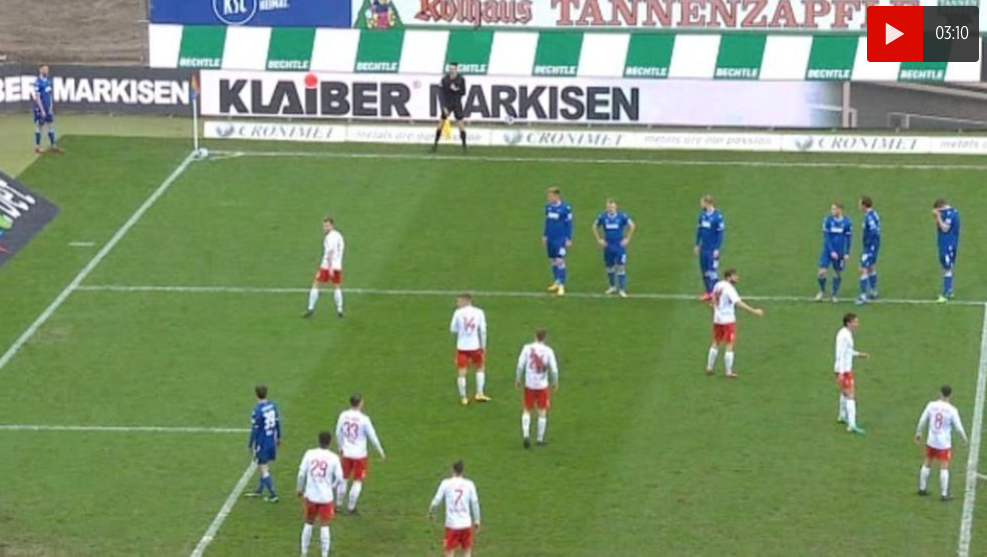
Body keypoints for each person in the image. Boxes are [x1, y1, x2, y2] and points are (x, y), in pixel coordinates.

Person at [705, 269, 764, 378]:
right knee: (729, 344)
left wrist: (714, 308)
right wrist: (754, 311)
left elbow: (713, 298)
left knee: (716, 342)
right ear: (728, 277)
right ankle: (728, 372)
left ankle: (709, 367)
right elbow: (738, 303)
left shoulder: (718, 285)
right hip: (728, 320)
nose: (737, 278)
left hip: (717, 319)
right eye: (734, 276)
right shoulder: (729, 289)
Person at [335, 393, 386, 515]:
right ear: (360, 403)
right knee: (357, 481)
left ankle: (338, 504)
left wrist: (340, 446)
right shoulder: (364, 419)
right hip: (359, 455)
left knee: (344, 478)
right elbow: (372, 437)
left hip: (346, 453)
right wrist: (381, 452)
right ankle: (351, 508)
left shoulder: (343, 415)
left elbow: (338, 432)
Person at [915, 385, 968, 501]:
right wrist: (964, 438)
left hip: (931, 441)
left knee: (927, 462)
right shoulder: (952, 410)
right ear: (950, 395)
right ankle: (944, 494)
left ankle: (922, 488)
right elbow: (958, 427)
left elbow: (922, 420)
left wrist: (918, 433)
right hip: (944, 444)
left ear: (940, 393)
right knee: (944, 467)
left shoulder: (931, 405)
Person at [297, 431, 343, 557]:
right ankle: (324, 554)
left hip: (311, 495)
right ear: (330, 442)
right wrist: (331, 487)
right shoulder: (334, 457)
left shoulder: (310, 454)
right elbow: (340, 478)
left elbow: (301, 473)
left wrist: (299, 489)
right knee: (324, 525)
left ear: (319, 440)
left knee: (308, 523)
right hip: (325, 497)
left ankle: (304, 553)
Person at [514, 329, 560, 448]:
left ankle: (525, 435)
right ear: (545, 338)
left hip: (529, 385)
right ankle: (539, 439)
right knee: (542, 411)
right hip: (542, 386)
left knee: (527, 410)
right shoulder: (548, 351)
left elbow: (520, 365)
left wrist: (518, 379)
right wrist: (555, 382)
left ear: (535, 336)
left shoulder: (526, 348)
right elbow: (554, 369)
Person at [429, 460, 481, 557]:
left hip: (452, 525)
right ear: (462, 470)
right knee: (467, 552)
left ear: (452, 469)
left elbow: (436, 500)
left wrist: (431, 512)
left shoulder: (446, 483)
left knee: (449, 553)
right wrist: (477, 520)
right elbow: (474, 503)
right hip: (466, 524)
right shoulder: (470, 484)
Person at [449, 293, 489, 405]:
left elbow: (452, 329)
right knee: (480, 367)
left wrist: (461, 330)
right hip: (475, 346)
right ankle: (479, 393)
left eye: (459, 301)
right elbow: (483, 331)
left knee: (462, 372)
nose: (457, 304)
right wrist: (483, 346)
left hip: (462, 347)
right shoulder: (479, 312)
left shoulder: (458, 313)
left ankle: (463, 397)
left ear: (465, 301)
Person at [592, 199, 635, 297]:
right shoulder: (602, 216)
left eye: (612, 207)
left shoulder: (622, 216)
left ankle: (622, 289)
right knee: (609, 267)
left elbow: (632, 225)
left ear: (616, 207)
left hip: (619, 245)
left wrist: (627, 239)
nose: (610, 209)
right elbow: (594, 226)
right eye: (608, 207)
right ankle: (612, 286)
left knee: (620, 266)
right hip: (608, 245)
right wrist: (599, 239)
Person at [834, 313, 869, 435]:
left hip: (841, 369)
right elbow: (842, 354)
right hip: (844, 370)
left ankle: (842, 415)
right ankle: (852, 425)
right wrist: (843, 373)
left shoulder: (843, 333)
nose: (857, 324)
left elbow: (847, 351)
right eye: (855, 322)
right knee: (850, 395)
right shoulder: (845, 336)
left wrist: (859, 354)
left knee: (844, 392)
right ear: (848, 323)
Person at [304, 217, 345, 318]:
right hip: (338, 266)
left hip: (327, 266)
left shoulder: (329, 237)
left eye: (327, 226)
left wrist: (330, 268)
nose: (324, 228)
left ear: (332, 225)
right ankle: (340, 310)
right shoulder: (339, 235)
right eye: (324, 226)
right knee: (336, 286)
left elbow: (330, 252)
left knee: (316, 284)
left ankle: (310, 309)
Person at [246, 384, 281, 502]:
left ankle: (273, 494)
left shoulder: (257, 410)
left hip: (262, 442)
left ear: (256, 394)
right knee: (264, 464)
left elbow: (254, 429)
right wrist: (279, 436)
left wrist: (250, 444)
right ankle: (260, 489)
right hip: (271, 439)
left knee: (263, 467)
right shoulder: (272, 405)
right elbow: (277, 422)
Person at [815, 203, 852, 303]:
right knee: (821, 272)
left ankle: (834, 294)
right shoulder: (828, 220)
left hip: (840, 252)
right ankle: (822, 291)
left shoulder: (847, 222)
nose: (832, 211)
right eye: (831, 209)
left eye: (834, 209)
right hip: (828, 251)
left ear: (840, 210)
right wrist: (831, 251)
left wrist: (847, 253)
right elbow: (826, 237)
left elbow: (848, 238)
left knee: (838, 273)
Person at [543, 186, 573, 296]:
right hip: (550, 238)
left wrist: (568, 238)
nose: (548, 198)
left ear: (556, 196)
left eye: (550, 196)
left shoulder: (565, 208)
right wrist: (545, 235)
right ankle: (556, 281)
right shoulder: (548, 207)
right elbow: (547, 221)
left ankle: (561, 285)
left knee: (560, 260)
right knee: (552, 260)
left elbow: (569, 224)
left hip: (560, 239)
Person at [694, 195, 724, 301]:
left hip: (712, 250)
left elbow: (720, 234)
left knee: (712, 272)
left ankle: (717, 295)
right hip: (704, 249)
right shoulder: (702, 216)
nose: (700, 204)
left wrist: (717, 248)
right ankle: (709, 292)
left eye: (702, 202)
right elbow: (699, 231)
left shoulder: (717, 217)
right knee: (705, 271)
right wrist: (697, 244)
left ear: (707, 203)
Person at [432, 62, 467, 152]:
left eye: (453, 69)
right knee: (441, 122)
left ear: (456, 69)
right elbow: (441, 94)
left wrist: (456, 90)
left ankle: (464, 146)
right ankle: (435, 145)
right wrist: (443, 106)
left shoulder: (461, 79)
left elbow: (463, 92)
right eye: (450, 69)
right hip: (447, 104)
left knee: (460, 124)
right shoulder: (445, 79)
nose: (451, 70)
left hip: (457, 103)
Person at [932, 199, 960, 303]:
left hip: (948, 244)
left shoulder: (949, 215)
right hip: (948, 244)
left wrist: (938, 216)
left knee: (947, 268)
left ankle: (945, 294)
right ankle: (950, 290)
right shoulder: (953, 212)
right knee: (947, 267)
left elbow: (944, 228)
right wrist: (938, 217)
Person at [31, 65, 62, 154]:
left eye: (47, 70)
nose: (46, 71)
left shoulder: (48, 81)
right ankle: (37, 146)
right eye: (44, 69)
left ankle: (53, 145)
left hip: (48, 108)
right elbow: (37, 97)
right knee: (39, 126)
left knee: (50, 125)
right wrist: (42, 110)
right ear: (40, 70)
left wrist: (50, 107)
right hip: (40, 108)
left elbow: (49, 95)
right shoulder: (38, 82)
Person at [856, 196, 881, 305]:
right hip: (874, 246)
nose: (858, 206)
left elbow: (874, 231)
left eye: (859, 204)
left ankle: (863, 296)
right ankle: (873, 291)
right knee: (871, 267)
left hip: (870, 246)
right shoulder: (874, 214)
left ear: (864, 205)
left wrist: (869, 245)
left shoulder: (869, 217)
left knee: (862, 268)